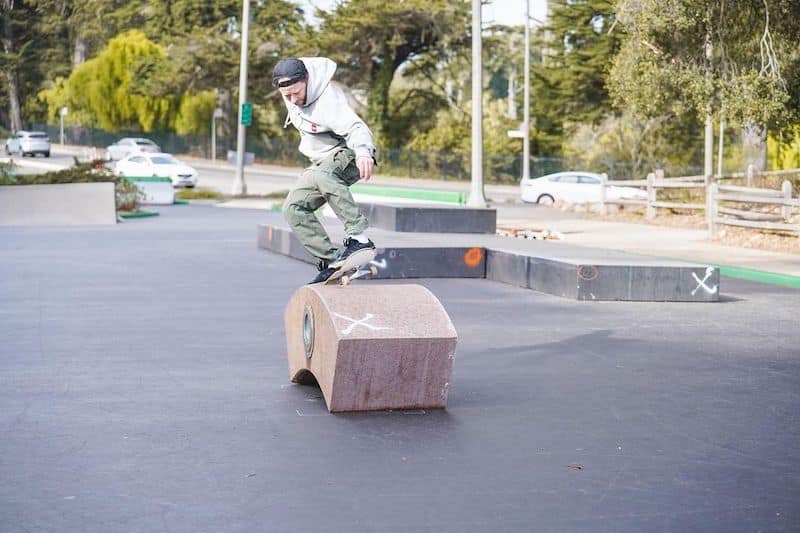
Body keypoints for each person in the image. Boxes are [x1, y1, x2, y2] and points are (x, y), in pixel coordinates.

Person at [273, 57, 377, 284]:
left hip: (350, 154)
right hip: (322, 163)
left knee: (323, 174)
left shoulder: (327, 100)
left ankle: (359, 238)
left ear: (308, 81)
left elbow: (356, 127)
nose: (293, 100)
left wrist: (363, 152)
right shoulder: (292, 93)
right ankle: (335, 262)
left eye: (296, 93)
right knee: (293, 208)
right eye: (287, 96)